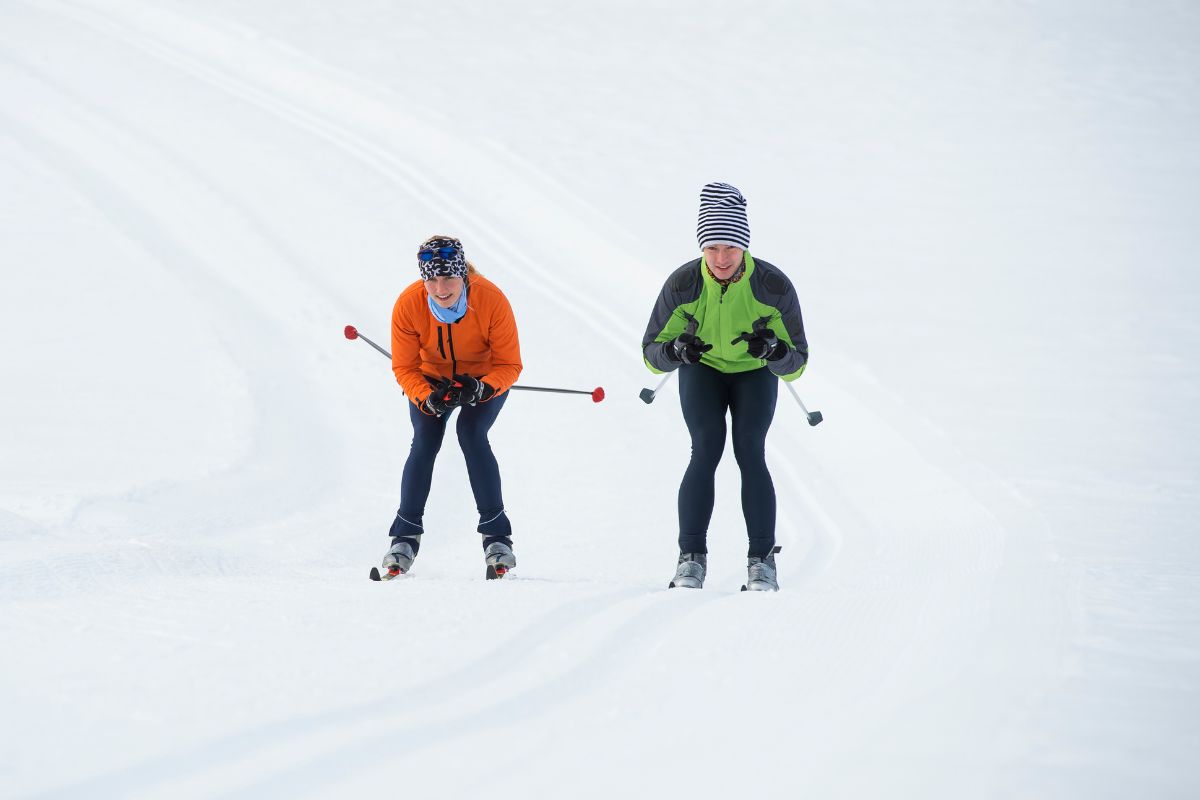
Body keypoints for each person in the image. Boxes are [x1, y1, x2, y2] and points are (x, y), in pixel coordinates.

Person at [641, 182, 809, 591]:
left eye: (730, 248)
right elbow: (651, 353)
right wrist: (678, 350)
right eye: (712, 248)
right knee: (706, 448)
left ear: (744, 248)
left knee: (750, 450)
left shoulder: (772, 286)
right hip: (704, 370)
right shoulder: (684, 284)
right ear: (701, 248)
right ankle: (691, 560)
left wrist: (773, 350)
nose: (720, 259)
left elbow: (798, 361)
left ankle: (762, 562)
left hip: (754, 372)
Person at [381, 235, 523, 579]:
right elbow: (404, 367)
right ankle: (404, 535)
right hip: (431, 381)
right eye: (431, 279)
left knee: (471, 433)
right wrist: (424, 396)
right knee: (425, 440)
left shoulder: (491, 299)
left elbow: (510, 364)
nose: (440, 288)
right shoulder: (408, 304)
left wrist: (481, 388)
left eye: (448, 279)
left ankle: (496, 536)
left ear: (463, 275)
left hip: (483, 379)